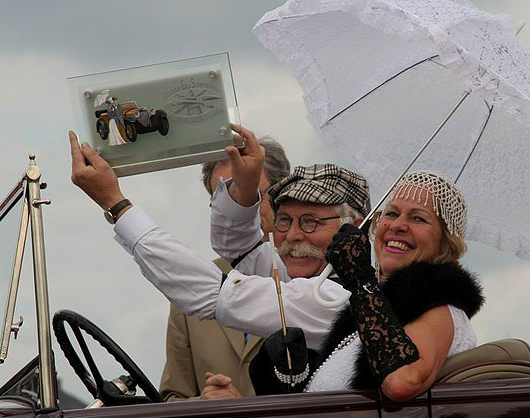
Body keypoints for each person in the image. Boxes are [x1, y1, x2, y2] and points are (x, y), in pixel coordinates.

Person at [68, 124, 368, 398]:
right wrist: (245, 188)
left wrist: (116, 204)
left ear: (355, 227)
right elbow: (237, 247)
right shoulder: (306, 279)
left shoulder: (339, 298)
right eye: (285, 219)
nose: (292, 235)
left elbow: (215, 293)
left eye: (310, 223)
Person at [250, 171, 484, 401]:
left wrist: (360, 279)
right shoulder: (373, 312)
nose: (398, 226)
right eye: (391, 214)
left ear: (445, 243)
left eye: (418, 218)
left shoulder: (440, 308)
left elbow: (401, 382)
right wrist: (292, 377)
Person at [161, 136, 291, 400]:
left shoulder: (312, 278)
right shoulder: (193, 287)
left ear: (282, 195)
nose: (237, 205)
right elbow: (172, 397)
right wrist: (207, 403)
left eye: (248, 191)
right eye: (224, 197)